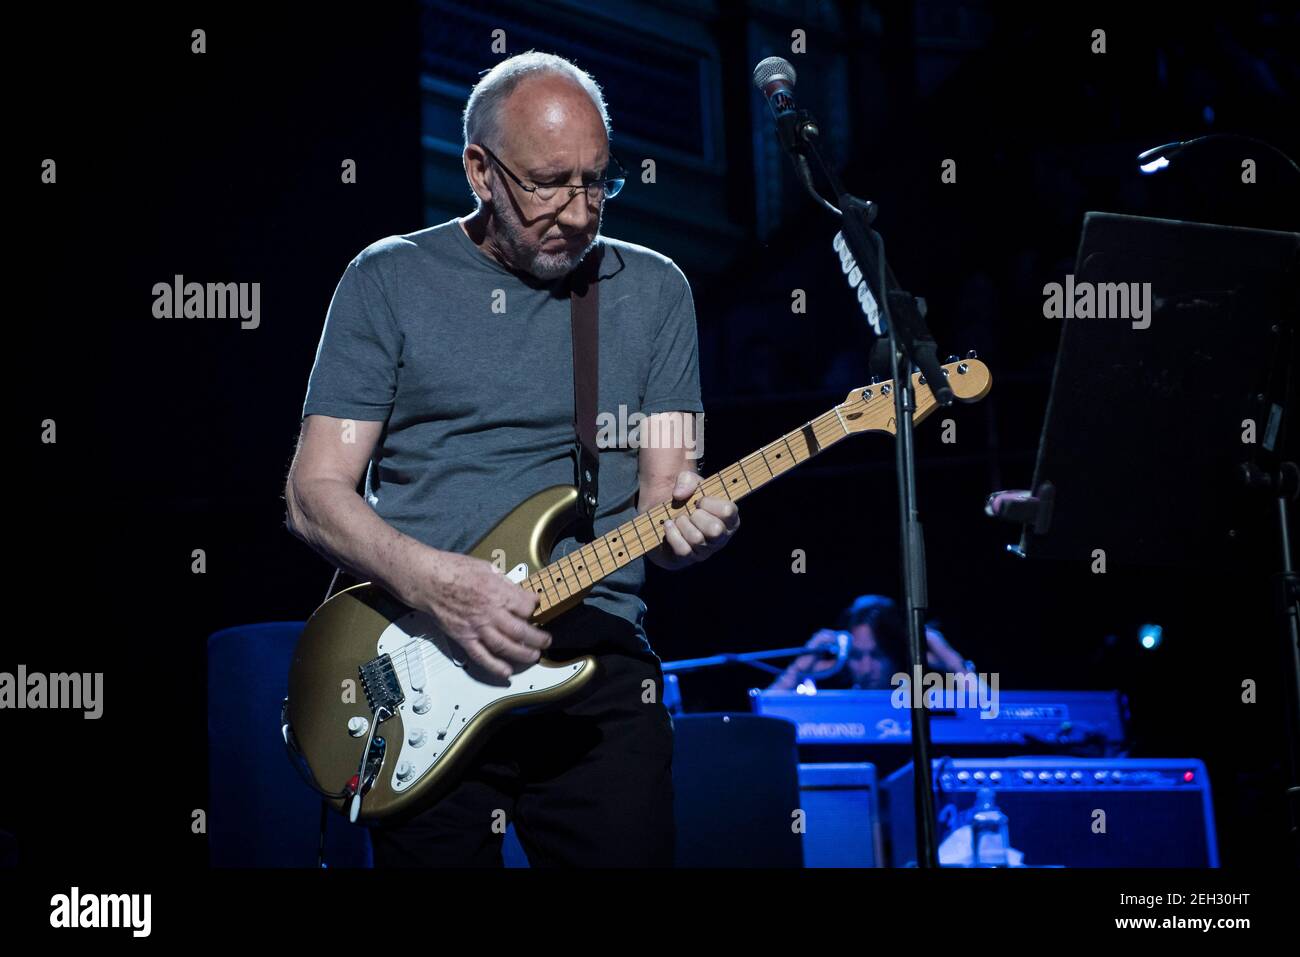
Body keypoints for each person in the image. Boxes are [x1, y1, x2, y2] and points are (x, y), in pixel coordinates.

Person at [284, 51, 739, 867]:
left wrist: (699, 526)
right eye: (548, 182)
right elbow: (315, 493)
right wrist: (438, 585)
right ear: (479, 171)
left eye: (597, 182)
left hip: (597, 671)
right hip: (422, 660)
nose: (577, 211)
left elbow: (669, 499)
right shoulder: (388, 279)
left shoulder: (654, 289)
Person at [768, 594, 970, 691]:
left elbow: (993, 716)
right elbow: (764, 722)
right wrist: (799, 667)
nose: (865, 668)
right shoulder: (834, 707)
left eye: (877, 655)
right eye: (856, 656)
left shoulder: (923, 704)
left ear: (896, 653)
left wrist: (954, 664)